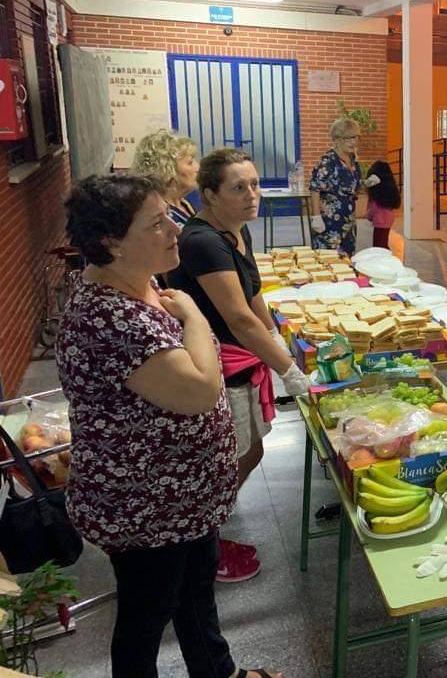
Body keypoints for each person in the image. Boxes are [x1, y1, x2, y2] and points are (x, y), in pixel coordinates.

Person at [56, 173, 283, 678]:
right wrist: (196, 320)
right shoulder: (110, 318)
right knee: (146, 617)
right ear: (111, 242)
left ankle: (218, 672)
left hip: (181, 501)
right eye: (158, 224)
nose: (174, 231)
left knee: (195, 595)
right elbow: (199, 391)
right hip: (145, 505)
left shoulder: (138, 286)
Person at [167, 149, 310, 583]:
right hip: (218, 365)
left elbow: (253, 298)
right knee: (227, 458)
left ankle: (204, 531)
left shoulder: (233, 232)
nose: (253, 195)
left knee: (248, 450)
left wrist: (279, 338)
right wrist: (290, 371)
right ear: (209, 193)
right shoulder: (203, 241)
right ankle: (198, 546)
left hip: (239, 357)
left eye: (255, 185)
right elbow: (237, 318)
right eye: (238, 187)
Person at [309, 117, 363, 255]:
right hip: (329, 222)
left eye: (355, 137)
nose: (353, 142)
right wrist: (316, 217)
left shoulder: (354, 160)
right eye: (349, 138)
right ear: (337, 139)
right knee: (329, 261)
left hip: (348, 223)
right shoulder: (328, 161)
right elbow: (315, 187)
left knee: (347, 262)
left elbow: (352, 186)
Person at [132, 129, 200, 228]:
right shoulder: (159, 216)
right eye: (190, 162)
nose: (197, 167)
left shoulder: (184, 204)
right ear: (167, 169)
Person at [363, 159, 400, 249]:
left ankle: (384, 261)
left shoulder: (377, 192)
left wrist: (368, 215)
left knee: (378, 246)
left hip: (379, 221)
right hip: (389, 219)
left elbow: (373, 208)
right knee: (383, 243)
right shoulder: (390, 189)